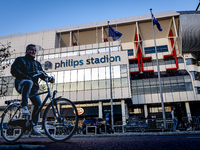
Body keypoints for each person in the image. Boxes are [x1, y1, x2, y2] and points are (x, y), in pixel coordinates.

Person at [11, 44, 54, 135]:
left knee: (38, 104)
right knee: (29, 82)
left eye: (35, 51)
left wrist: (49, 78)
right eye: (31, 50)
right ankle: (24, 106)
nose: (33, 52)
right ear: (26, 51)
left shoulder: (37, 64)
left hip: (33, 89)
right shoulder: (20, 60)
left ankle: (33, 127)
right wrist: (26, 77)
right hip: (21, 84)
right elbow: (14, 70)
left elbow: (42, 74)